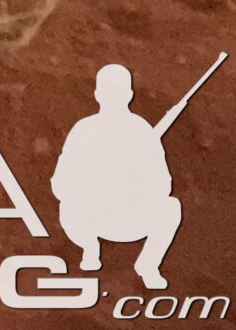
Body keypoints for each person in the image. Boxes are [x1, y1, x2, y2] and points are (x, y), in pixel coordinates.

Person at [53, 61, 190, 290]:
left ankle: (148, 264)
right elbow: (60, 184)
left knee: (171, 207)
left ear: (128, 94)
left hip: (131, 218)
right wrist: (93, 186)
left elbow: (163, 185)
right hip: (90, 217)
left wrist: (132, 184)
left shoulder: (142, 131)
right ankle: (90, 248)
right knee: (67, 206)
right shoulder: (84, 130)